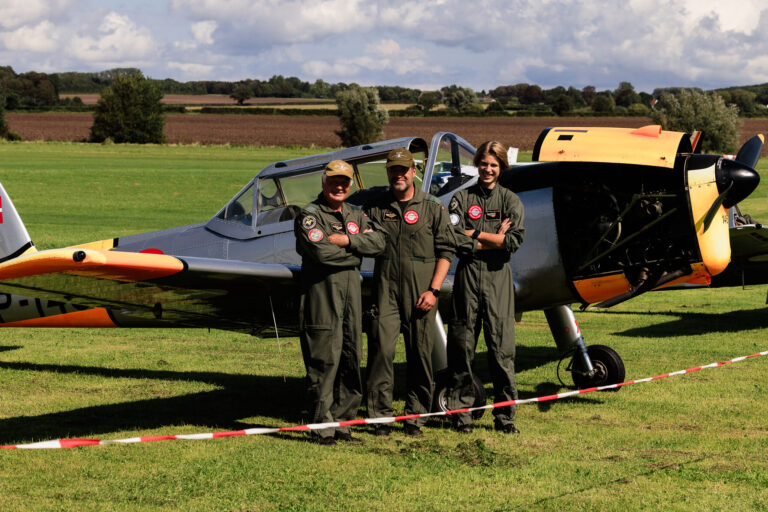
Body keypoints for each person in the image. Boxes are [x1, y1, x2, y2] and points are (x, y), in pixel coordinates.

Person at [364, 148, 456, 437]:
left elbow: (446, 251)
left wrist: (433, 290)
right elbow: (362, 235)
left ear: (413, 172)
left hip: (421, 293)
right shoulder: (376, 206)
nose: (399, 174)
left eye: (404, 169)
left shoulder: (431, 207)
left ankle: (415, 417)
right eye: (394, 170)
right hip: (385, 291)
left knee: (420, 354)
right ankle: (380, 417)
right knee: (382, 352)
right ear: (388, 173)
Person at [294, 160, 385, 445]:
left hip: (351, 296)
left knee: (350, 355)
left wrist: (346, 241)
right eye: (334, 180)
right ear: (324, 182)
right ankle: (322, 426)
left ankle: (344, 424)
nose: (340, 186)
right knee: (324, 358)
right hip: (322, 295)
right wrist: (358, 248)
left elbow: (381, 242)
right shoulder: (309, 216)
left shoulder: (356, 213)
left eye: (345, 181)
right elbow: (322, 255)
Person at [446, 140, 525, 434]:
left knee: (502, 351)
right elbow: (454, 236)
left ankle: (505, 419)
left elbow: (513, 242)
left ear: (501, 167)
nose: (488, 169)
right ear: (477, 164)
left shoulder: (511, 201)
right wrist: (493, 237)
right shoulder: (461, 198)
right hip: (467, 276)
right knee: (462, 347)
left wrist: (476, 233)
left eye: (494, 165)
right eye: (484, 164)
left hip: (497, 277)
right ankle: (461, 416)